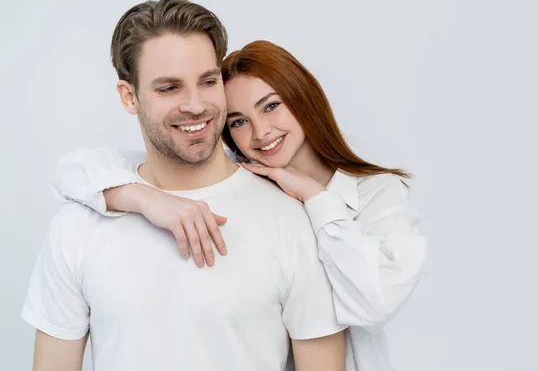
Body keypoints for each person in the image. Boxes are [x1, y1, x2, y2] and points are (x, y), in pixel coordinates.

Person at [53, 38, 427, 370]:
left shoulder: (377, 194)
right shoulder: (246, 187)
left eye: (271, 106)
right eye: (238, 122)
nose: (261, 132)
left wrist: (315, 197)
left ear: (304, 98)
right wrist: (142, 198)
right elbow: (72, 173)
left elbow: (375, 301)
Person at [22, 0, 347, 371]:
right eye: (169, 88)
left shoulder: (291, 221)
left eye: (208, 81)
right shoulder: (77, 228)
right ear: (130, 97)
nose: (195, 105)